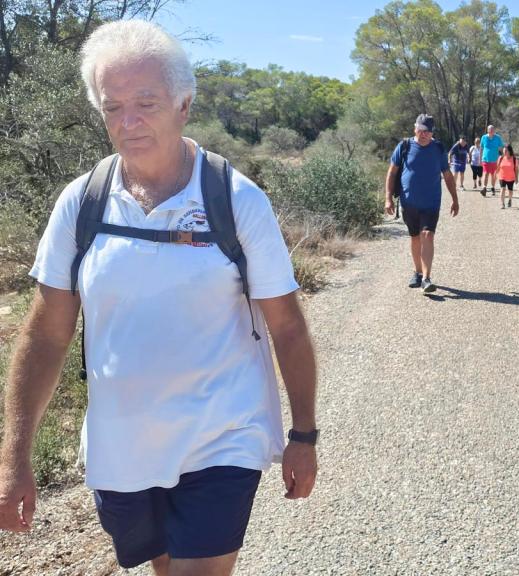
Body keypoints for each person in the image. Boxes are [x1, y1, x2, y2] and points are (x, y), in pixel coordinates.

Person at [0, 20, 318, 576]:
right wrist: (14, 457)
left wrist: (304, 434)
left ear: (183, 105)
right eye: (113, 107)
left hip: (224, 436)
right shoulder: (81, 204)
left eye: (146, 103)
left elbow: (287, 326)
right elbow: (46, 334)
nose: (129, 122)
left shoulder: (235, 199)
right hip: (122, 448)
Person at [385, 114, 459, 293]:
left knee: (427, 235)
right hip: (408, 202)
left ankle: (426, 278)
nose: (424, 134)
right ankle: (417, 272)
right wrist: (388, 198)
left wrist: (455, 199)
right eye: (421, 130)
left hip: (431, 202)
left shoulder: (438, 148)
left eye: (428, 131)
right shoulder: (404, 146)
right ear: (415, 128)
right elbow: (392, 173)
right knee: (415, 237)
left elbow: (447, 175)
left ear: (432, 133)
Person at [479, 125, 503, 196]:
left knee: (493, 175)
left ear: (494, 131)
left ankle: (493, 187)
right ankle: (484, 188)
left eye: (492, 130)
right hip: (485, 159)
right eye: (490, 130)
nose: (491, 131)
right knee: (486, 173)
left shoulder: (498, 138)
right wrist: (480, 159)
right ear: (487, 131)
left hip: (495, 160)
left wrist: (501, 158)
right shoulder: (483, 137)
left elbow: (501, 148)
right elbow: (481, 149)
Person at [497, 144, 518, 209]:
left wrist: (516, 178)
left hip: (511, 177)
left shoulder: (514, 159)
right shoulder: (501, 158)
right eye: (504, 151)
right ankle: (502, 204)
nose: (504, 152)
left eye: (506, 151)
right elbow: (498, 167)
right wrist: (496, 174)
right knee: (502, 189)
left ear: (509, 151)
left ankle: (510, 200)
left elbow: (516, 169)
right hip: (502, 176)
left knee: (510, 191)